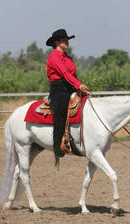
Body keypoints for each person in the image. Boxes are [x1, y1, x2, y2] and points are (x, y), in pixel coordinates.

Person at [46, 29, 90, 165]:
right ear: (57, 42)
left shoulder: (67, 57)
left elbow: (72, 74)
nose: (67, 42)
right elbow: (64, 73)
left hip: (70, 86)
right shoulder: (54, 57)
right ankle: (58, 145)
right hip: (59, 89)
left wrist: (80, 88)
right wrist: (78, 84)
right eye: (64, 40)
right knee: (61, 111)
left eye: (67, 40)